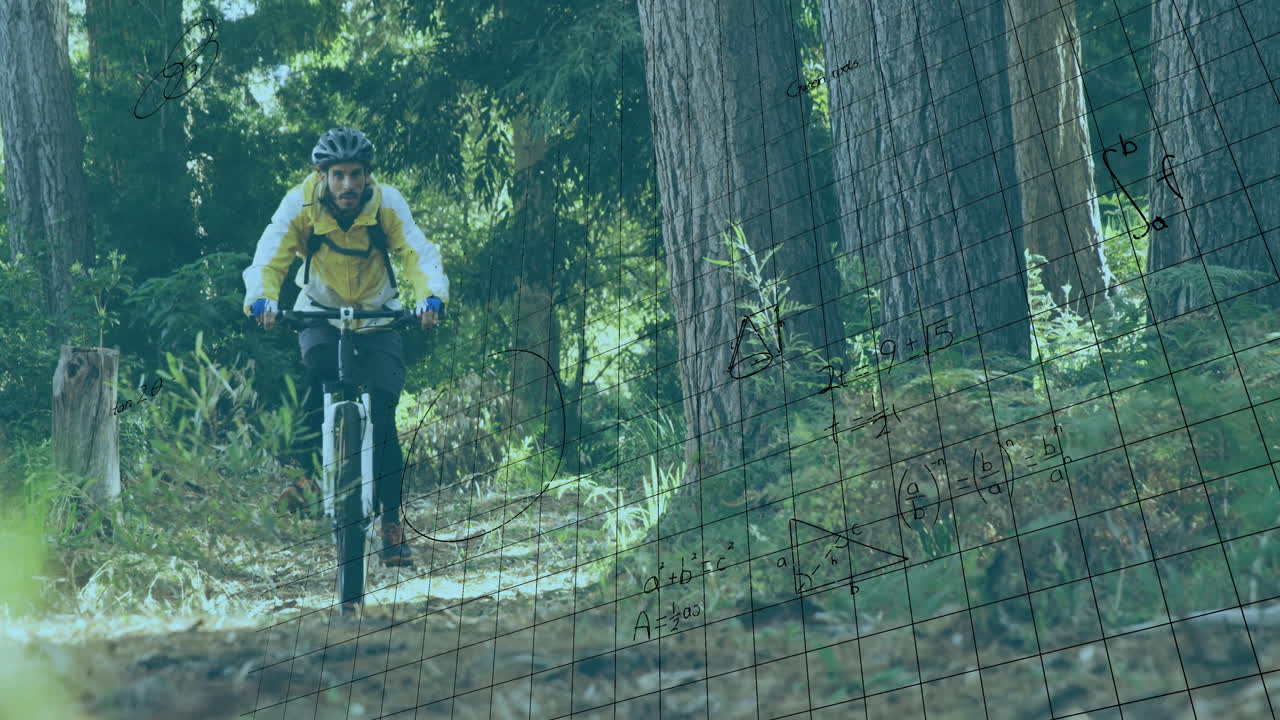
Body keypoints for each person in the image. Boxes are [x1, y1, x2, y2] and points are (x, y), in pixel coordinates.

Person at [242, 127, 449, 568]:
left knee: (386, 413)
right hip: (320, 312)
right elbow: (269, 255)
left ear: (367, 176)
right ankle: (310, 477)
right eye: (338, 175)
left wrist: (432, 297)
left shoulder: (387, 204)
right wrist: (262, 298)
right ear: (322, 175)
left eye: (355, 175)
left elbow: (418, 254)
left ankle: (391, 523)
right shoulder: (298, 204)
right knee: (317, 377)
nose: (348, 185)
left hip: (379, 316)